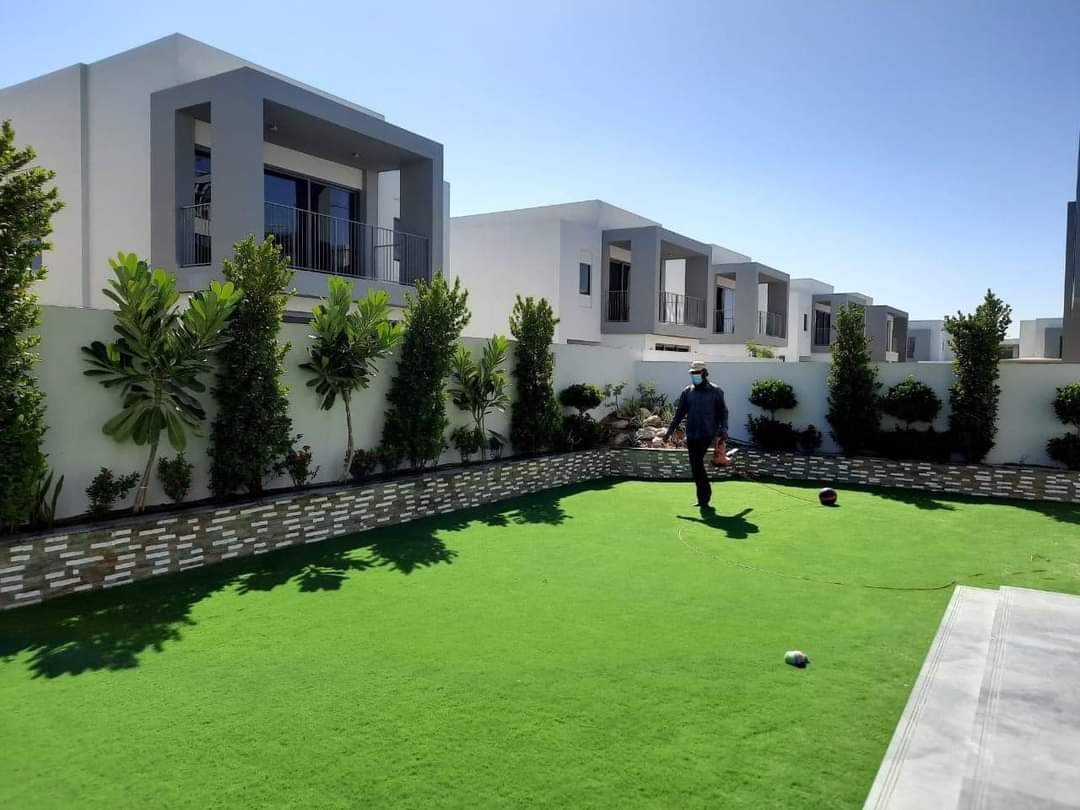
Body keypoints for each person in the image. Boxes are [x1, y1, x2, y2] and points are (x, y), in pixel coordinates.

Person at [662, 361, 729, 508]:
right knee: (695, 465)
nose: (694, 376)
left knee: (697, 462)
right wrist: (669, 431)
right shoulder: (687, 392)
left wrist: (724, 430)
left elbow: (723, 412)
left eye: (697, 373)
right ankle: (703, 497)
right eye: (692, 373)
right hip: (692, 433)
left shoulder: (716, 391)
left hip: (707, 433)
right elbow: (679, 414)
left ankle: (704, 497)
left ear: (704, 374)